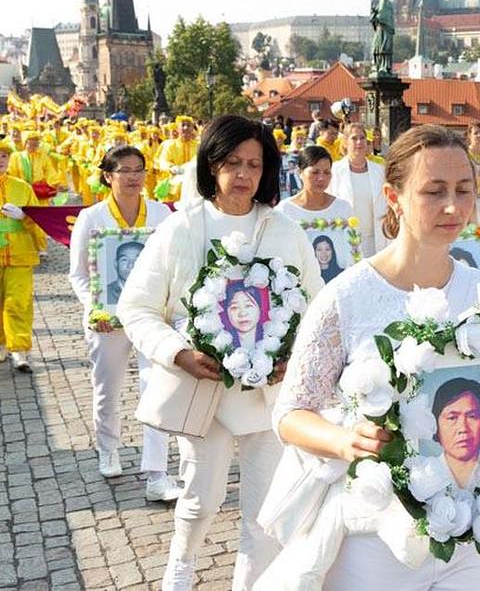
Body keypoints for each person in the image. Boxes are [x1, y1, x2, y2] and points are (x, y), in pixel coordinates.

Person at [273, 124, 480, 588]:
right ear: (393, 198)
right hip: (376, 535)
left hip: (472, 530)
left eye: (464, 190)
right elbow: (290, 413)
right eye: (433, 191)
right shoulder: (347, 297)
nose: (453, 207)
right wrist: (345, 440)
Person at [117, 115, 323, 590]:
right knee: (200, 499)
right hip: (204, 391)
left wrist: (293, 357)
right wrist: (178, 353)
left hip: (269, 398)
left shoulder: (285, 230)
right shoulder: (181, 228)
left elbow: (317, 308)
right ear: (211, 165)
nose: (243, 174)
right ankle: (181, 567)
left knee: (264, 512)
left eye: (254, 164)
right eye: (232, 162)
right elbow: (137, 307)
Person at [68, 146, 179, 496]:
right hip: (107, 320)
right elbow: (78, 274)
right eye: (124, 170)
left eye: (138, 170)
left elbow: (172, 265)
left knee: (156, 388)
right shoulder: (92, 217)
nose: (133, 177)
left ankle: (157, 473)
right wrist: (94, 308)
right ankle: (108, 448)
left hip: (151, 316)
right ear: (108, 176)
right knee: (107, 387)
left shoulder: (161, 214)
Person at [0, 141, 41, 373]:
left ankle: (19, 349)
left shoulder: (22, 188)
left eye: (4, 156)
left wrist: (24, 216)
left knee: (18, 302)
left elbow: (38, 220)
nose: (0, 160)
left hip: (20, 254)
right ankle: (1, 343)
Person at [327, 123, 387, 257]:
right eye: (354, 138)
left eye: (362, 138)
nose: (359, 142)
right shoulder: (334, 171)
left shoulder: (380, 171)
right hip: (345, 240)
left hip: (376, 241)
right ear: (345, 142)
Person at [431, 377, 480, 486]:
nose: (463, 428)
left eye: (472, 416)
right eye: (452, 418)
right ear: (435, 423)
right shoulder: (424, 475)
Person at [275, 146, 353, 227]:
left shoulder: (343, 207)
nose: (321, 178)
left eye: (327, 172)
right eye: (315, 172)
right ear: (300, 172)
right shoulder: (284, 210)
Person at [223, 282, 268, 351]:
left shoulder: (271, 340)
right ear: (226, 312)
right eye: (234, 307)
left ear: (260, 309)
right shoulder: (221, 345)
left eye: (248, 306)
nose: (242, 313)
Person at [106, 241, 143, 305]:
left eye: (137, 260)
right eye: (124, 260)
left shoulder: (156, 293)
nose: (130, 266)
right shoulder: (104, 294)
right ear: (116, 264)